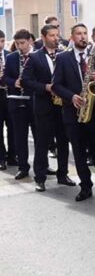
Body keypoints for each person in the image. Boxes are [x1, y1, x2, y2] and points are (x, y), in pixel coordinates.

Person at [52, 24, 95, 201]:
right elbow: (56, 85)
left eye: (84, 33)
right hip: (73, 113)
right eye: (78, 34)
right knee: (79, 152)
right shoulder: (63, 58)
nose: (82, 37)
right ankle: (86, 186)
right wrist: (72, 96)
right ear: (72, 37)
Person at [22, 24, 73, 193]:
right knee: (42, 143)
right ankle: (40, 178)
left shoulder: (64, 55)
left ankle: (63, 174)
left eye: (57, 35)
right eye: (52, 35)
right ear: (43, 37)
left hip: (62, 105)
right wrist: (46, 87)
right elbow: (26, 81)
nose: (56, 38)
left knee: (63, 141)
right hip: (44, 105)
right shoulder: (34, 57)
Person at [3, 29, 35, 178]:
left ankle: (43, 165)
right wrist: (13, 82)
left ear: (30, 41)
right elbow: (4, 79)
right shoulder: (11, 58)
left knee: (41, 137)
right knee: (19, 136)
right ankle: (23, 166)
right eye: (17, 43)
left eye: (22, 43)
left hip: (35, 101)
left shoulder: (38, 56)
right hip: (17, 101)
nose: (20, 46)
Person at [0, 30, 15, 170]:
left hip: (9, 95)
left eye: (3, 41)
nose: (1, 44)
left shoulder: (9, 56)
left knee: (12, 126)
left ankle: (12, 156)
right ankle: (1, 157)